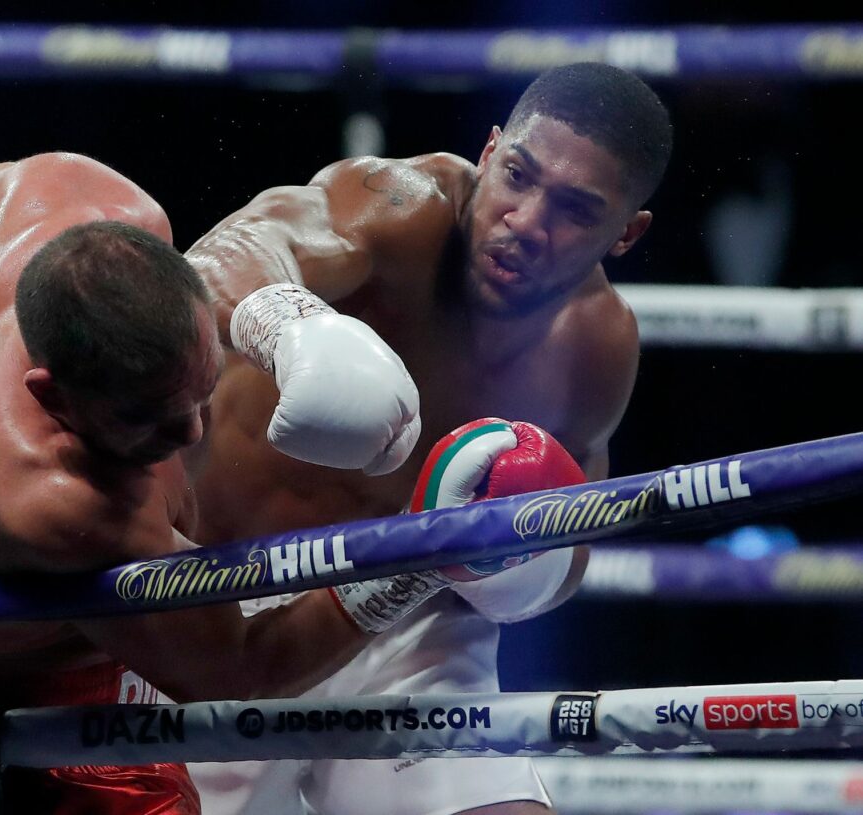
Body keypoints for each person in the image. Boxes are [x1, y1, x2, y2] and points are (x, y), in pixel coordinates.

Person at [0, 152, 498, 814]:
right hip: (3, 727)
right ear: (53, 397)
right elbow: (239, 666)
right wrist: (419, 556)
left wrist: (284, 328)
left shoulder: (70, 192)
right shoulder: (56, 501)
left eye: (201, 388)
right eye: (144, 420)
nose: (186, 432)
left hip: (75, 665)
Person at [183, 62, 673, 815]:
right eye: (517, 175)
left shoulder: (595, 347)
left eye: (576, 210)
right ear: (488, 152)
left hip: (408, 628)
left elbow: (574, 540)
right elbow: (219, 259)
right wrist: (293, 327)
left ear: (626, 234)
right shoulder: (398, 206)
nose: (526, 220)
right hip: (224, 602)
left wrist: (517, 568)